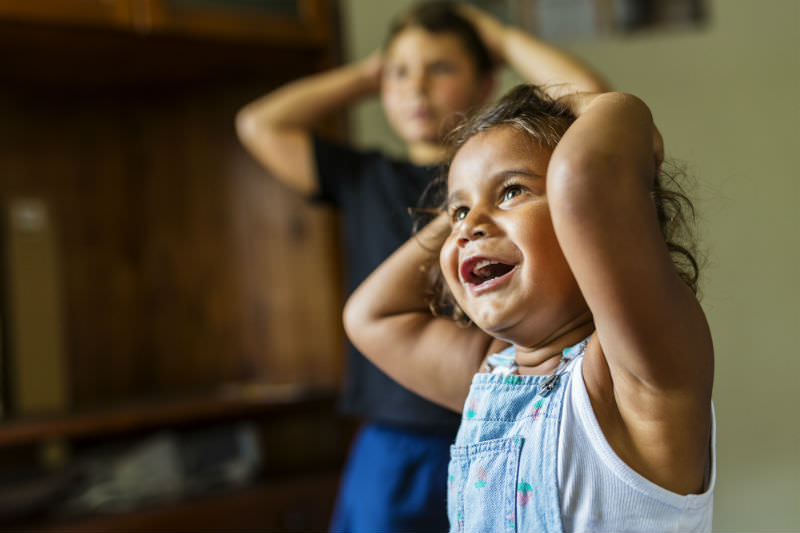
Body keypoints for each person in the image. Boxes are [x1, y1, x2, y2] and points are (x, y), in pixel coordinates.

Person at [235, 2, 607, 530]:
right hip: (396, 437)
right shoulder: (365, 176)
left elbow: (594, 101)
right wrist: (369, 73)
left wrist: (497, 38)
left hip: (505, 413)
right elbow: (257, 124)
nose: (416, 87)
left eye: (441, 68)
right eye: (401, 72)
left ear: (486, 83)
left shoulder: (502, 179)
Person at [343, 84, 715, 532]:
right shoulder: (490, 377)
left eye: (512, 191)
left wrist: (608, 107)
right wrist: (466, 209)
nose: (468, 227)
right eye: (458, 211)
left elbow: (587, 177)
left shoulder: (637, 374)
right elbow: (370, 316)